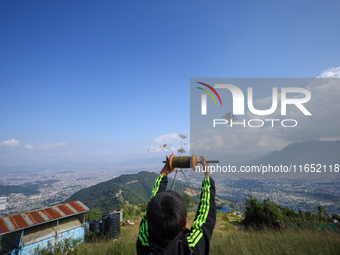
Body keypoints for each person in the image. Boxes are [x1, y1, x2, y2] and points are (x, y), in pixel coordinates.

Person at [136, 155, 216, 255]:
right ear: (184, 223)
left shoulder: (144, 242)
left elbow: (152, 205)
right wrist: (208, 175)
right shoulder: (190, 248)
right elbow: (206, 211)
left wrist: (164, 173)